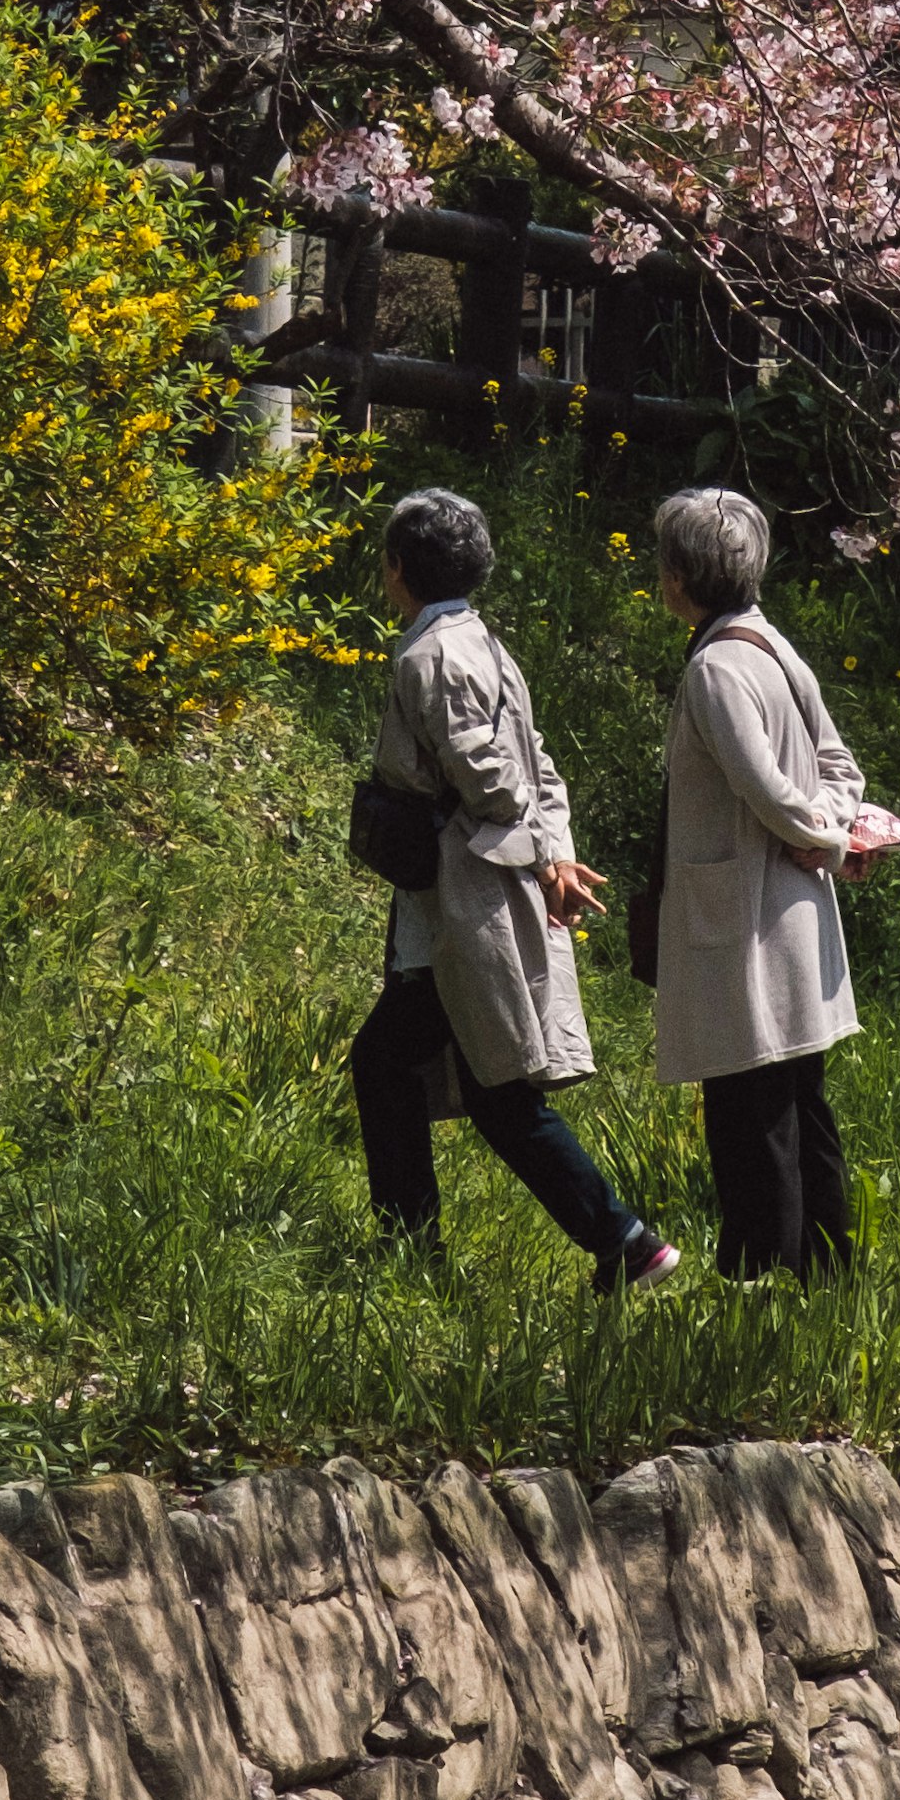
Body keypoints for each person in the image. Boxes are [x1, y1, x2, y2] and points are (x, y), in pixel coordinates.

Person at [350, 488, 678, 1292]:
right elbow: (540, 767)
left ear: (397, 569)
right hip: (460, 898)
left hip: (465, 898)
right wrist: (554, 851)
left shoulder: (432, 654)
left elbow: (495, 777)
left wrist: (542, 859)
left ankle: (620, 1242)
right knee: (469, 1083)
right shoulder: (483, 642)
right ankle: (614, 1243)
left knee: (454, 1078)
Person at [645, 479, 900, 1277]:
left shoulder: (718, 668)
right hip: (789, 911)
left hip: (747, 923)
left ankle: (761, 1288)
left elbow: (766, 788)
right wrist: (830, 825)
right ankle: (826, 1278)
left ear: (681, 578)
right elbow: (840, 766)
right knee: (799, 1105)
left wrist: (819, 834)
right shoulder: (771, 643)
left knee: (751, 1115)